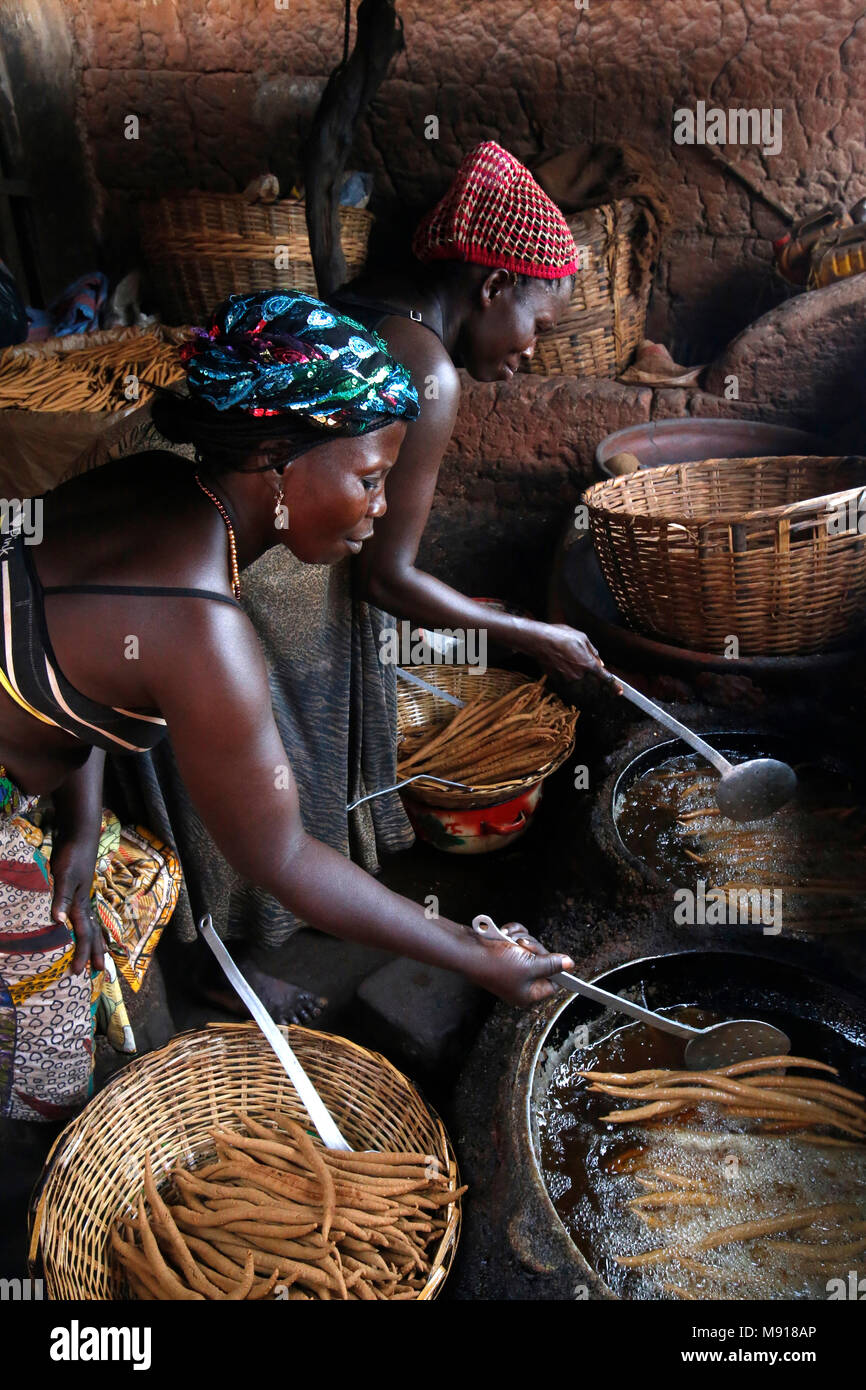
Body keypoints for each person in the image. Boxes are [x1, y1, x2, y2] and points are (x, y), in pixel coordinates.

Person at [0, 291, 573, 1120]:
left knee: (133, 880)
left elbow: (75, 672)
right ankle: (39, 1181)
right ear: (275, 460)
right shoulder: (200, 627)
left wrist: (83, 829)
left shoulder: (164, 486)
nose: (382, 510)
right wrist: (473, 955)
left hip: (29, 770)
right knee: (51, 1027)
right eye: (371, 480)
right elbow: (285, 860)